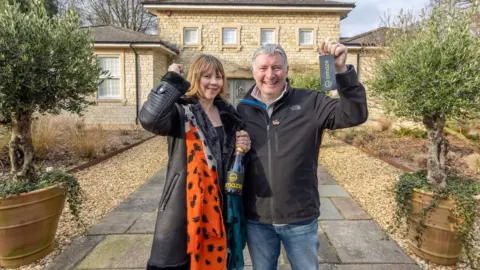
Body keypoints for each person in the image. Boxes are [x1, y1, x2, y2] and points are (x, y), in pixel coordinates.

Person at [236, 40, 368, 270]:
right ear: (253, 72)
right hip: (257, 219)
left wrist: (341, 72)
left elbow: (354, 115)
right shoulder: (242, 109)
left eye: (276, 68)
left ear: (287, 70)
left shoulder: (310, 102)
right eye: (263, 68)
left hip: (300, 217)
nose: (270, 75)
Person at [139, 55, 250, 270]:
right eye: (206, 76)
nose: (214, 82)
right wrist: (170, 79)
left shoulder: (229, 114)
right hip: (184, 204)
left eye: (218, 77)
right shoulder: (180, 111)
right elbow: (149, 119)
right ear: (195, 78)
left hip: (221, 205)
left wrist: (243, 147)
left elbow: (233, 158)